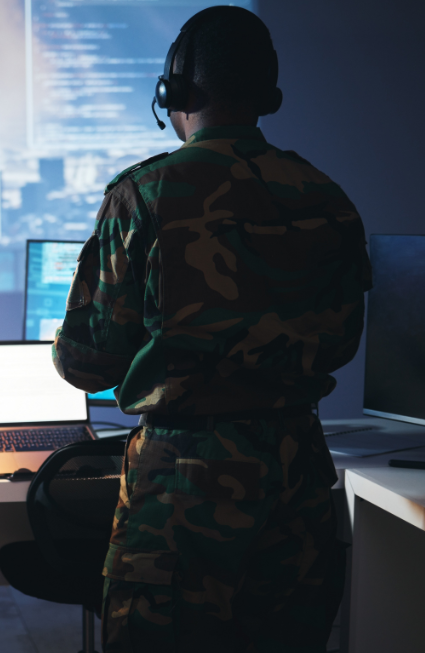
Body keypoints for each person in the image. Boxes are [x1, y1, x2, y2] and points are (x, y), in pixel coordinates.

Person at [53, 7, 372, 652]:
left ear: (175, 91)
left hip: (181, 485)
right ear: (266, 92)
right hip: (298, 476)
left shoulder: (144, 194)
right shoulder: (324, 193)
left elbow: (89, 362)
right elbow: (341, 339)